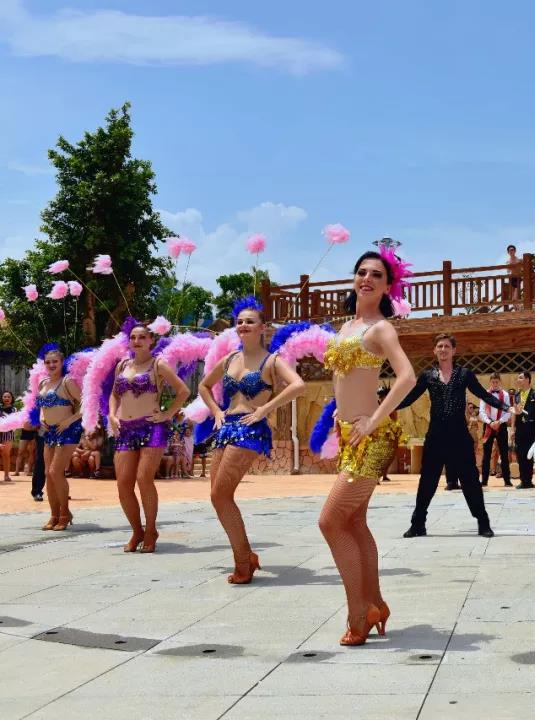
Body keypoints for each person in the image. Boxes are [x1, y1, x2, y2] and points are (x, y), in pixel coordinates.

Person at [319, 249, 416, 645]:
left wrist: (373, 420)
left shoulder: (381, 329)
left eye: (377, 274)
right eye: (362, 272)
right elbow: (343, 384)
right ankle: (374, 603)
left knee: (330, 522)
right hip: (348, 435)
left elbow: (407, 377)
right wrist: (335, 421)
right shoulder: (346, 327)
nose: (367, 279)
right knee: (354, 522)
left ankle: (358, 612)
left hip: (372, 438)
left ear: (388, 285)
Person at [199, 297, 305, 578]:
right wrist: (216, 412)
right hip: (227, 427)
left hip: (250, 428)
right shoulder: (229, 359)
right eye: (240, 322)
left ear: (262, 328)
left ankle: (243, 563)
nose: (243, 325)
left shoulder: (272, 360)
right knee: (217, 497)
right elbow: (203, 386)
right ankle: (246, 555)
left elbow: (298, 385)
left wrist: (265, 409)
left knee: (221, 495)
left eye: (250, 321)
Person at [397, 333, 517, 538]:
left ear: (453, 351)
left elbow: (483, 394)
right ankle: (418, 524)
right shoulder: (428, 376)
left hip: (459, 435)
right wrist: (383, 407)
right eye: (439, 346)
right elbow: (410, 398)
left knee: (470, 480)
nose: (443, 350)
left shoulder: (464, 374)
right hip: (436, 436)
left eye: (446, 346)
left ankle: (483, 523)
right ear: (434, 351)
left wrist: (507, 407)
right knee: (427, 480)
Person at [109, 322, 191, 552]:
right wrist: (112, 415)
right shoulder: (122, 365)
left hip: (151, 427)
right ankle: (137, 531)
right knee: (123, 484)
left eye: (142, 337)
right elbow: (114, 394)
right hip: (125, 429)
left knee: (144, 478)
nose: (137, 341)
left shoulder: (158, 364)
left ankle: (151, 530)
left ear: (151, 340)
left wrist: (167, 414)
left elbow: (183, 391)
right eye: (133, 337)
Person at [36, 345, 84, 531]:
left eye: (55, 361)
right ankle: (54, 515)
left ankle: (64, 513)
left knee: (56, 471)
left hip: (68, 431)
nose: (51, 365)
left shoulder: (67, 382)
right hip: (49, 432)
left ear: (62, 362)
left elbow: (85, 403)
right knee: (48, 474)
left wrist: (69, 420)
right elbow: (41, 406)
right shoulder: (43, 383)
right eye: (48, 362)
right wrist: (41, 417)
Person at [479, 373, 513, 487]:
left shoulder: (506, 395)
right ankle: (484, 481)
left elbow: (508, 411)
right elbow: (481, 411)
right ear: (490, 382)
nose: (494, 384)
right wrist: (490, 422)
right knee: (486, 454)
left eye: (496, 382)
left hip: (501, 425)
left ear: (500, 382)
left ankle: (507, 480)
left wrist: (499, 421)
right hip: (488, 426)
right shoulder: (484, 394)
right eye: (493, 382)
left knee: (504, 453)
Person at [512, 371, 535, 488]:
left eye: (520, 378)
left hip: (531, 427)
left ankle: (529, 481)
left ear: (527, 379)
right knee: (520, 454)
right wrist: (513, 428)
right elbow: (514, 413)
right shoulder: (516, 395)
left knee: (529, 454)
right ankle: (523, 480)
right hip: (520, 428)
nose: (518, 380)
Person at [0, 391, 15, 482]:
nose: (6, 398)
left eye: (8, 397)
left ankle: (6, 475)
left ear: (11, 398)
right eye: (5, 397)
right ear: (2, 398)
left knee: (6, 454)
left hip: (8, 434)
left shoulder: (14, 410)